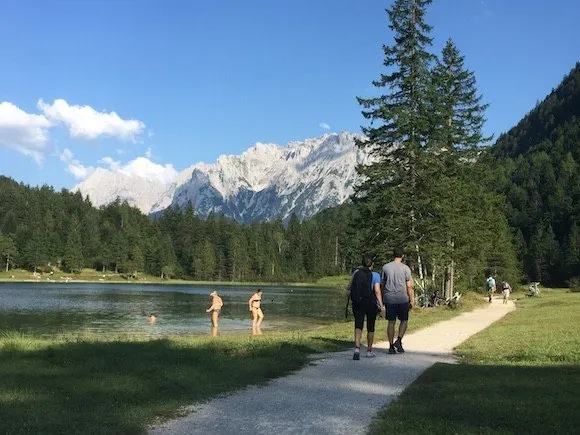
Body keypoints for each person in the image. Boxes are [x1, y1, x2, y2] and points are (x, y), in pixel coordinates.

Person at [348, 254, 383, 360]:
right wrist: (381, 305)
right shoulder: (375, 275)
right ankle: (369, 350)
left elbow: (349, 286)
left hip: (358, 302)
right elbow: (377, 291)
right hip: (370, 302)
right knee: (370, 327)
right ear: (372, 264)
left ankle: (357, 349)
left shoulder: (356, 273)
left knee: (358, 325)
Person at [381, 247, 414, 354]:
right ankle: (399, 340)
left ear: (393, 255)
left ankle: (391, 346)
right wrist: (411, 300)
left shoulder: (385, 267)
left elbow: (382, 283)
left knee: (391, 322)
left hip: (389, 298)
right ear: (402, 256)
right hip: (402, 298)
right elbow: (409, 286)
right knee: (404, 320)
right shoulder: (406, 268)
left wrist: (381, 298)